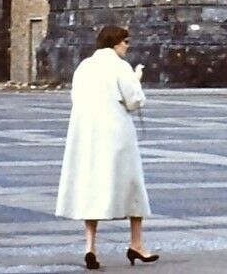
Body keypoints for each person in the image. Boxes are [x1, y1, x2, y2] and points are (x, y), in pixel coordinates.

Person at [56, 25, 158, 269]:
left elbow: (76, 98)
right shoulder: (119, 67)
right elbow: (134, 100)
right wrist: (137, 80)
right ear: (115, 43)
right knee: (132, 187)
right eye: (125, 42)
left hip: (86, 136)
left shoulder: (84, 66)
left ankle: (90, 247)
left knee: (92, 188)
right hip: (116, 134)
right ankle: (137, 244)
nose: (127, 46)